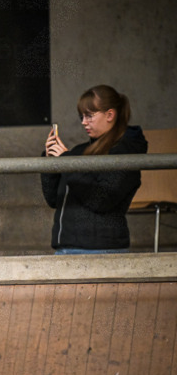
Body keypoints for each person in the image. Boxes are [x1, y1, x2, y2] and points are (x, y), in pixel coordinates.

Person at [42, 85, 146, 254]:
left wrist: (68, 162)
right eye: (82, 116)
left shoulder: (125, 152)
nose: (84, 122)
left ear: (110, 115)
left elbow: (102, 199)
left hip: (100, 249)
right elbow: (54, 199)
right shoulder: (78, 152)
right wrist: (50, 162)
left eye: (89, 116)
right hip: (66, 247)